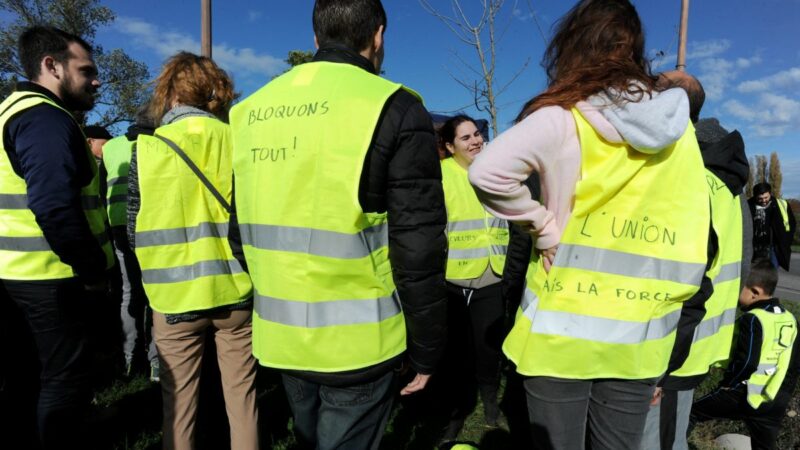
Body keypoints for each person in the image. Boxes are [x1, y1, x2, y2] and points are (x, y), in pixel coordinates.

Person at [468, 1, 712, 448]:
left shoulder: (562, 118)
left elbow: (487, 172)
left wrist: (543, 227)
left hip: (561, 335)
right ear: (634, 51)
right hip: (640, 336)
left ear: (573, 47)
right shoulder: (680, 135)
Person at [228, 0, 448, 448]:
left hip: (282, 339)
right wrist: (427, 348)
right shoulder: (396, 106)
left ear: (316, 39)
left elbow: (239, 235)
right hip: (361, 346)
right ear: (379, 36)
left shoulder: (249, 111)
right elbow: (418, 246)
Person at [127, 52, 257, 450]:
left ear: (169, 94)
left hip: (175, 296)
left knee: (179, 405)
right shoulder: (239, 141)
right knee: (243, 400)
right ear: (215, 92)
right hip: (236, 290)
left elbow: (134, 229)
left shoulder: (146, 150)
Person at [0, 26, 114, 448]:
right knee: (65, 383)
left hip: (18, 274)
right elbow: (53, 206)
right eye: (86, 70)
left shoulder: (10, 111)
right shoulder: (45, 119)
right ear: (52, 66)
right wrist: (90, 271)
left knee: (26, 377)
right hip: (52, 278)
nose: (96, 80)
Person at [640, 71, 752, 450]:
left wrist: (661, 366)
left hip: (672, 350)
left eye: (651, 93)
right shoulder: (724, 179)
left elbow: (689, 280)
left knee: (656, 442)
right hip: (690, 345)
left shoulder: (692, 178)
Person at [437, 115, 509, 443]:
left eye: (477, 134)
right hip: (455, 279)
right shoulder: (440, 176)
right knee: (457, 353)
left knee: (489, 347)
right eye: (465, 138)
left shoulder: (497, 170)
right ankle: (456, 411)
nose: (475, 141)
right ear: (450, 147)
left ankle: (491, 403)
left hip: (493, 274)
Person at [691, 259, 800, 450]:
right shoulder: (790, 319)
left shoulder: (753, 319)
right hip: (774, 401)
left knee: (691, 413)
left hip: (742, 395)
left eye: (740, 288)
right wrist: (783, 396)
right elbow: (794, 363)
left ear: (755, 292)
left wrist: (728, 386)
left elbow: (747, 361)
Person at [103, 109, 158, 380]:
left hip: (117, 225)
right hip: (150, 223)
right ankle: (157, 362)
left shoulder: (112, 147)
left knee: (129, 292)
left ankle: (129, 359)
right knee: (157, 293)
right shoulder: (157, 144)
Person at [749, 182, 795, 271]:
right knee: (755, 275)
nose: (763, 201)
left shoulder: (781, 204)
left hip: (774, 248)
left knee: (771, 275)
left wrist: (787, 241)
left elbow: (792, 223)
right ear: (755, 196)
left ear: (770, 193)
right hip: (754, 248)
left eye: (766, 197)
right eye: (760, 199)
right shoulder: (748, 206)